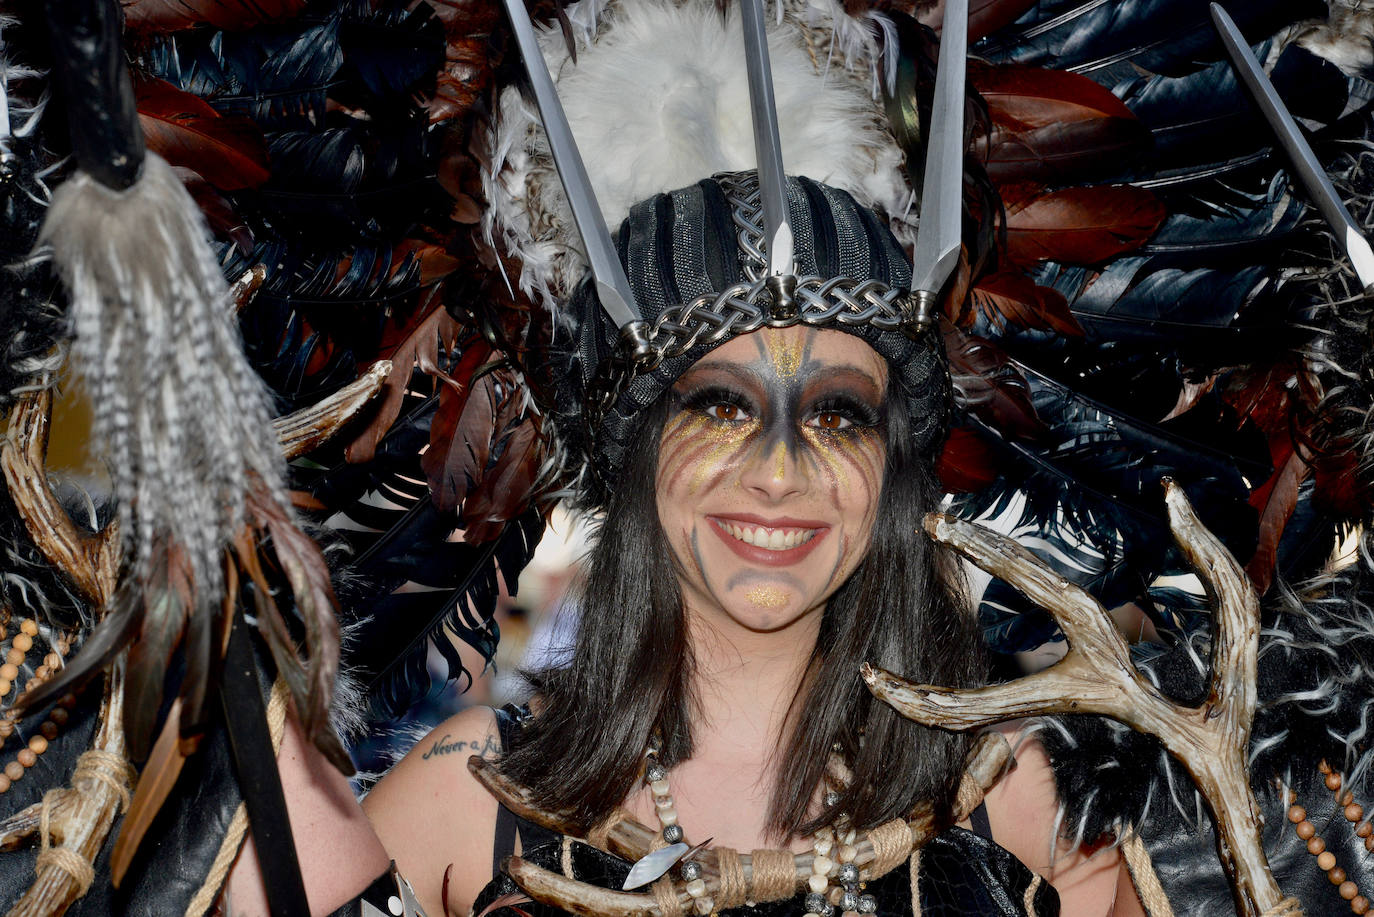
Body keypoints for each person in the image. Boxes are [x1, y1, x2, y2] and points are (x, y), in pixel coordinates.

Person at [361, 167, 1140, 916]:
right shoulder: (471, 791)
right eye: (722, 408)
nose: (778, 472)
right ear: (639, 458)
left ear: (890, 469)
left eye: (838, 415)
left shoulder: (1023, 805)